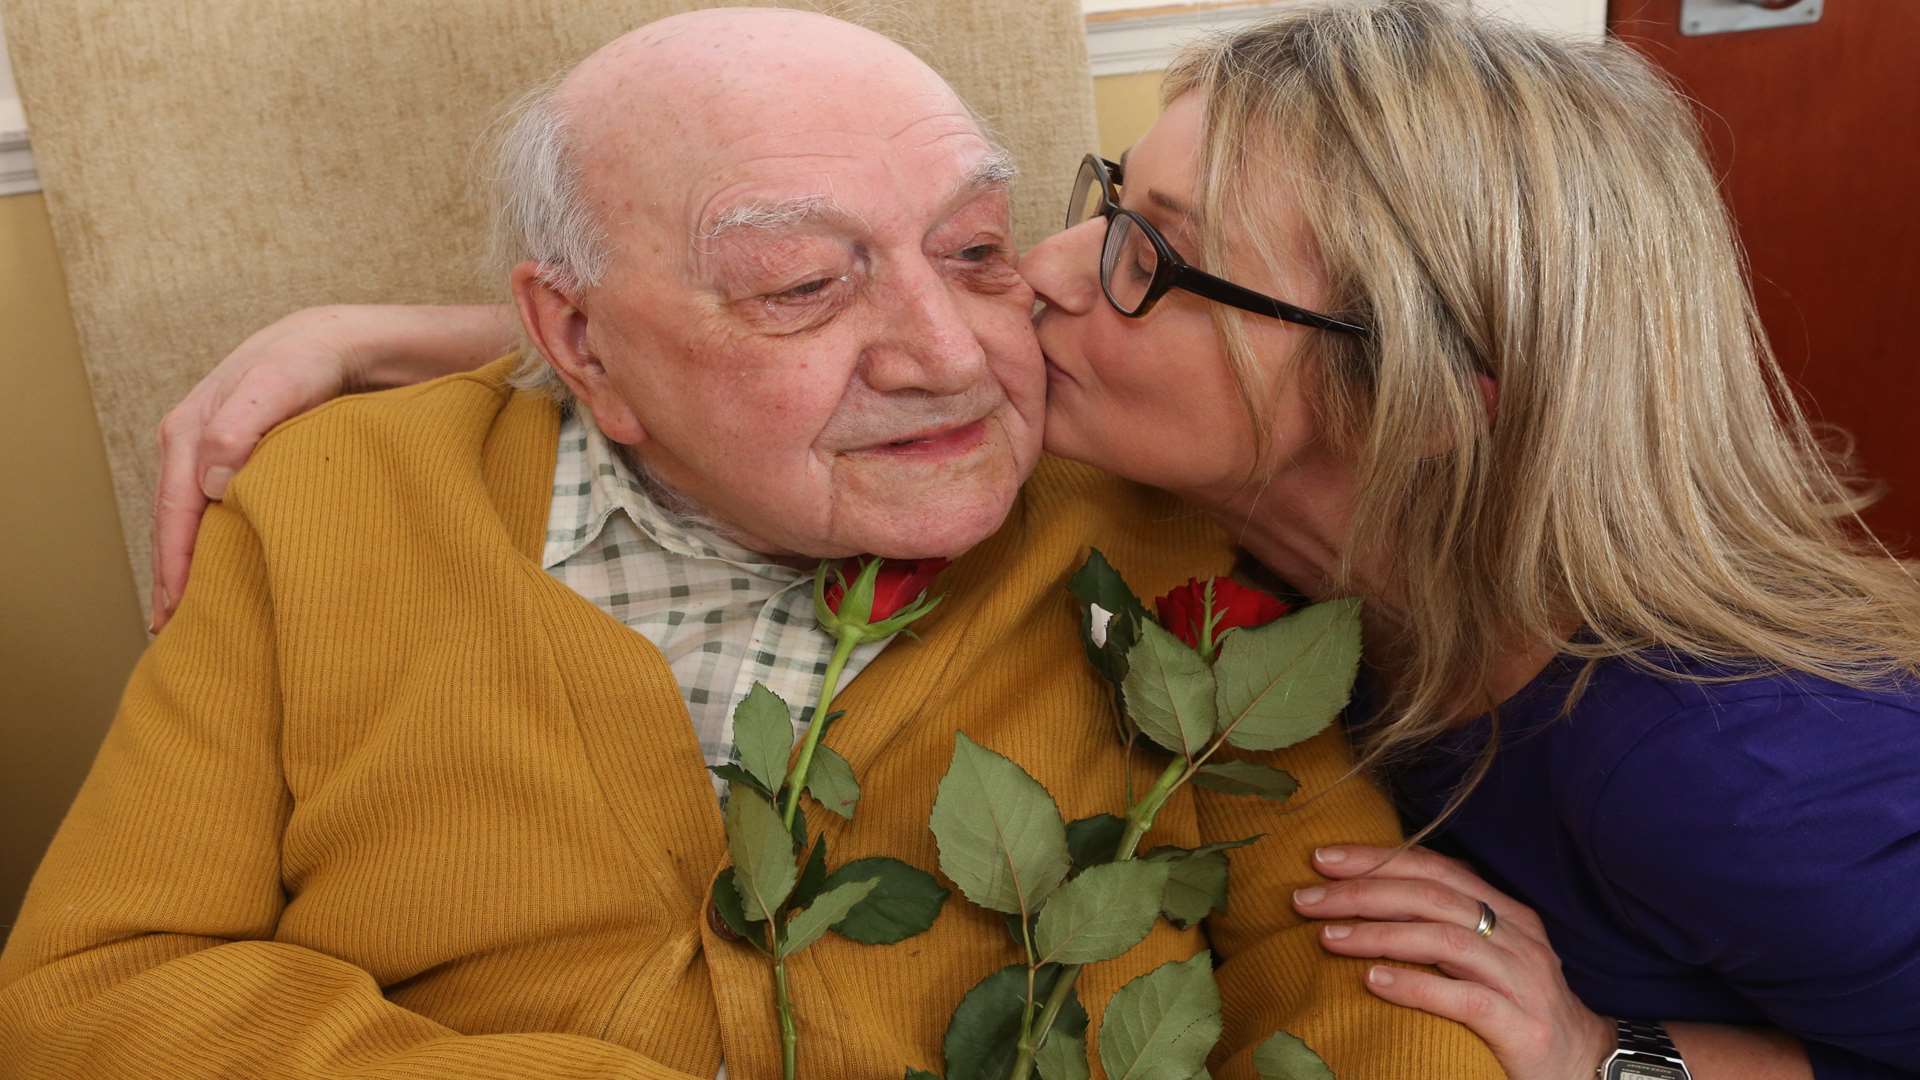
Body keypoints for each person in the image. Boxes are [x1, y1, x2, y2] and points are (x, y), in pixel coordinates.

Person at [143, 1, 1920, 1077]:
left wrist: (1620, 1062)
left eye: (1135, 255)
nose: (1014, 308)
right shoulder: (1279, 516)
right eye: (1076, 218)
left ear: (1409, 399)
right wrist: (409, 338)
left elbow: (1347, 960)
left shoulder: (1728, 768)